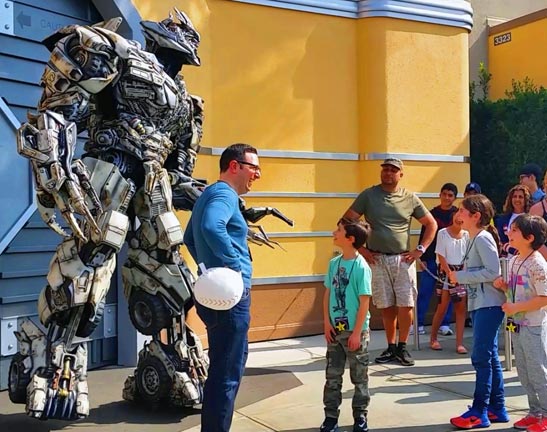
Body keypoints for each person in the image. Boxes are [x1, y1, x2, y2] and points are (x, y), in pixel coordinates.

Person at [184, 143, 261, 432]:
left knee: (227, 365)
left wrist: (209, 268)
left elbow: (190, 238)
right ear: (234, 166)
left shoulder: (210, 194)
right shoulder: (223, 194)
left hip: (218, 292)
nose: (257, 174)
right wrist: (233, 266)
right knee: (226, 374)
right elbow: (210, 228)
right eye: (254, 167)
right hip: (230, 296)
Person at [341, 157, 437, 367]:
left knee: (405, 304)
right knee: (386, 306)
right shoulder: (369, 195)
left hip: (403, 259)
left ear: (400, 174)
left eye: (393, 170)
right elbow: (346, 221)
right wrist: (362, 249)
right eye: (385, 169)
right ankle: (391, 346)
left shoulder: (409, 198)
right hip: (377, 259)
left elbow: (431, 224)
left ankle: (403, 346)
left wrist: (420, 249)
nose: (388, 173)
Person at [448, 194, 508, 429]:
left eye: (463, 210)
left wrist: (460, 276)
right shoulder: (473, 238)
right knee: (490, 357)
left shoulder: (482, 238)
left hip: (488, 304)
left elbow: (493, 273)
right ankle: (497, 408)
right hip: (481, 303)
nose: (458, 214)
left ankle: (479, 411)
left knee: (481, 358)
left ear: (476, 216)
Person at [493, 214, 547, 431]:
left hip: (534, 326)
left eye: (515, 230)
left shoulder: (538, 265)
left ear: (529, 237)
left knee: (538, 371)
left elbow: (544, 298)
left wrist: (515, 307)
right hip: (517, 325)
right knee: (523, 372)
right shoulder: (514, 260)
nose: (509, 233)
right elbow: (519, 291)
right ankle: (535, 412)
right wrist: (504, 286)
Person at [320, 219, 372, 432]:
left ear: (350, 239)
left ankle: (360, 416)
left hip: (354, 331)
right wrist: (326, 322)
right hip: (335, 329)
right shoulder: (334, 263)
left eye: (339, 230)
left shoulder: (361, 267)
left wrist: (357, 333)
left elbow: (364, 302)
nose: (334, 232)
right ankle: (330, 417)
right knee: (332, 376)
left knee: (359, 377)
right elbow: (327, 294)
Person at [415, 183, 458, 336]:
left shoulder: (458, 215)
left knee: (448, 293)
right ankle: (418, 323)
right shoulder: (431, 214)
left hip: (451, 261)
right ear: (440, 195)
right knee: (425, 291)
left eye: (450, 195)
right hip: (432, 259)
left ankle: (445, 324)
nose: (447, 197)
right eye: (444, 194)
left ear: (454, 198)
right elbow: (424, 236)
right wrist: (422, 257)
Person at [429, 209, 469, 353]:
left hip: (461, 274)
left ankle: (459, 343)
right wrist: (449, 273)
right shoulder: (443, 233)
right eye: (457, 215)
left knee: (460, 308)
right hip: (446, 274)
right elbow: (440, 256)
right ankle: (433, 338)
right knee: (442, 306)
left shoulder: (467, 235)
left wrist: (461, 274)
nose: (459, 218)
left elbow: (468, 255)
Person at [494, 184, 532, 257]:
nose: (517, 199)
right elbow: (501, 241)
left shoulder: (531, 217)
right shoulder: (502, 220)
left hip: (528, 257)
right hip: (508, 260)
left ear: (526, 199)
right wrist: (515, 252)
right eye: (514, 196)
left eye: (520, 197)